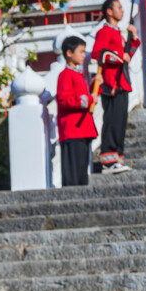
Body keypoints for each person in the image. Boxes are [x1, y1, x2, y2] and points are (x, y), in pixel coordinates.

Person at [93, 0, 139, 174]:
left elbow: (128, 55)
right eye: (119, 7)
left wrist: (133, 38)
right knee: (112, 121)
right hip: (112, 82)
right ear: (109, 12)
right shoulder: (104, 31)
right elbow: (99, 54)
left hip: (122, 82)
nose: (122, 10)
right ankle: (108, 159)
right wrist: (119, 58)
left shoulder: (118, 32)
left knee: (120, 122)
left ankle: (117, 157)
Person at [55, 36, 97, 186]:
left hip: (82, 129)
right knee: (73, 173)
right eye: (81, 52)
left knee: (81, 171)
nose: (83, 55)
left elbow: (80, 96)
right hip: (73, 130)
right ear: (69, 53)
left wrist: (93, 88)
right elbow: (64, 100)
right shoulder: (65, 75)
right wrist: (90, 99)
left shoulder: (77, 74)